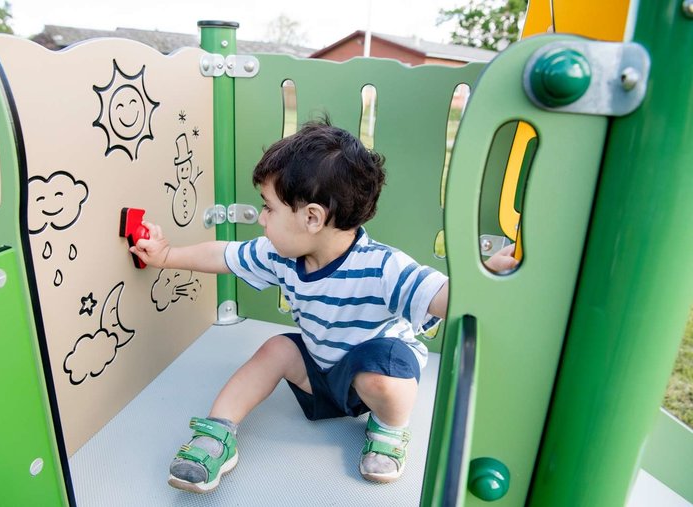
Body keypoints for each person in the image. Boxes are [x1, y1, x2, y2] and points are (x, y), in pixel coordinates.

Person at [130, 118, 518, 493]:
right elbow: (223, 255)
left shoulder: (381, 266)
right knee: (276, 349)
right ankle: (218, 433)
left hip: (373, 371)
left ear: (312, 217)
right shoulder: (279, 254)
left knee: (384, 371)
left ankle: (389, 429)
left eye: (269, 208)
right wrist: (167, 255)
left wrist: (482, 282)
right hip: (320, 367)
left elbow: (437, 295)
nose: (262, 219)